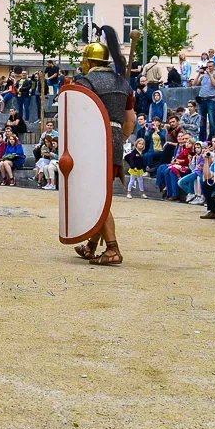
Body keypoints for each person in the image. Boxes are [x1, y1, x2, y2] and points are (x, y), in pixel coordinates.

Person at [68, 26, 136, 266]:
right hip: (116, 141)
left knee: (98, 198)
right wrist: (123, 138)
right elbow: (131, 120)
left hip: (95, 143)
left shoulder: (85, 81)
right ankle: (91, 246)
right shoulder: (123, 83)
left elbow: (79, 116)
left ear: (88, 61)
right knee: (101, 195)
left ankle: (113, 249)